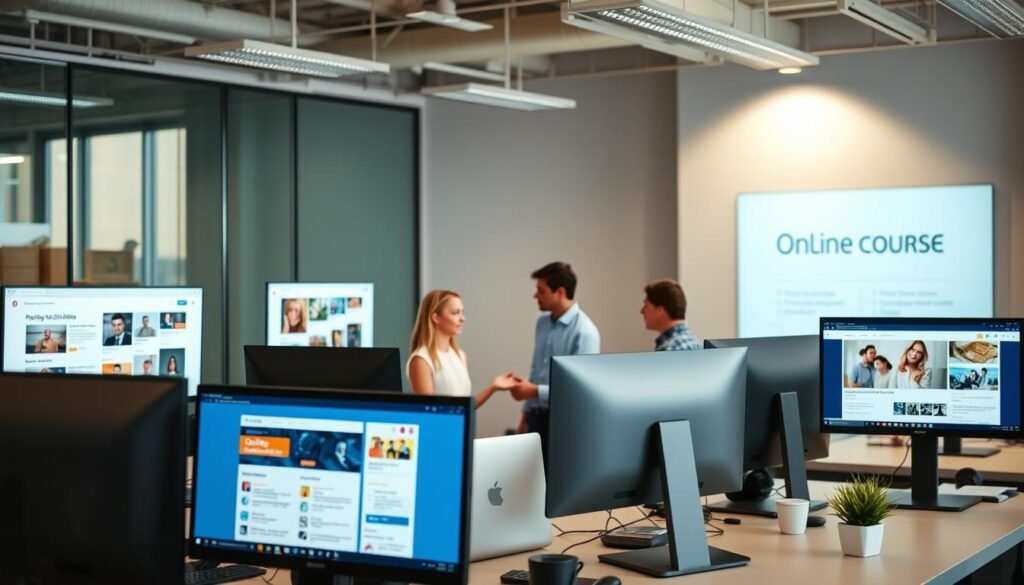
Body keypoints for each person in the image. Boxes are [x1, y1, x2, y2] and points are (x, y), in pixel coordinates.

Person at [509, 262, 601, 448]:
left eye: (541, 291)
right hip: (536, 419)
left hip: (565, 423)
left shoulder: (585, 332)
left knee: (556, 477)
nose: (535, 295)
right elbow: (536, 371)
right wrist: (524, 418)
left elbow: (579, 390)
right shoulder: (542, 324)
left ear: (559, 292)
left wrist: (534, 391)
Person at [407, 290, 518, 408]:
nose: (462, 318)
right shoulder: (421, 359)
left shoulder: (460, 356)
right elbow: (428, 412)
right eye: (455, 313)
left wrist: (493, 386)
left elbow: (465, 408)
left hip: (462, 426)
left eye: (462, 312)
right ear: (436, 317)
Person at [641, 280, 700, 351]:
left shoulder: (669, 349)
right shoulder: (695, 342)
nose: (641, 311)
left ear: (660, 310)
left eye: (646, 306)